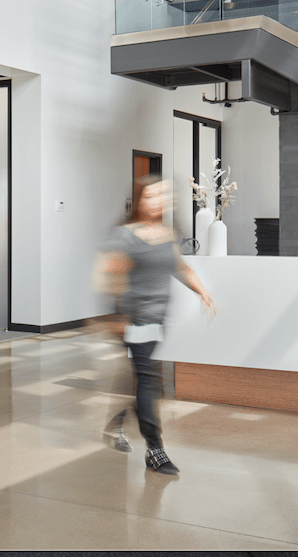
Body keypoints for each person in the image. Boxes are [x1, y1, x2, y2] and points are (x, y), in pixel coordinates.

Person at [98, 176, 216, 476]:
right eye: (151, 196)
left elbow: (179, 267)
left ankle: (117, 423)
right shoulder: (125, 236)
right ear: (139, 200)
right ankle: (155, 449)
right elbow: (110, 272)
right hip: (133, 316)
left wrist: (203, 292)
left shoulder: (168, 234)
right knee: (150, 380)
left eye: (163, 195)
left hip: (157, 318)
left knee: (145, 380)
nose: (158, 201)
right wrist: (116, 316)